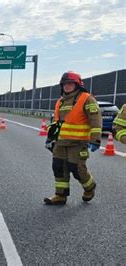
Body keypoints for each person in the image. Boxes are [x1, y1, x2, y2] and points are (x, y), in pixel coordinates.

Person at [44, 71, 102, 205]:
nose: (67, 86)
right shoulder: (60, 101)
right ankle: (60, 195)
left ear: (77, 84)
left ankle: (89, 187)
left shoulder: (87, 98)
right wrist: (50, 137)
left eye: (70, 83)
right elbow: (57, 123)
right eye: (64, 84)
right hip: (60, 142)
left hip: (78, 143)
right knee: (58, 167)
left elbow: (95, 120)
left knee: (76, 168)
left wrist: (95, 139)